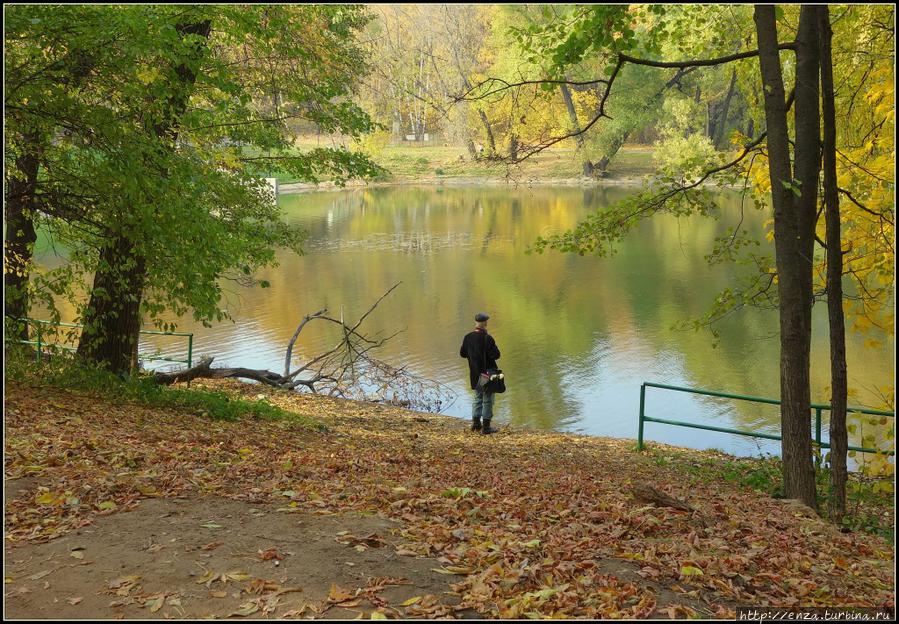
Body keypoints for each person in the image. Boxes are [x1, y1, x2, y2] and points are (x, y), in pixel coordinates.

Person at [460, 312, 500, 434]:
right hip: (486, 374)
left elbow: (462, 354)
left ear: (476, 323)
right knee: (488, 399)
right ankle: (486, 427)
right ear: (485, 323)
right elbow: (496, 355)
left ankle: (476, 424)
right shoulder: (488, 338)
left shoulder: (468, 337)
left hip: (474, 373)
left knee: (477, 398)